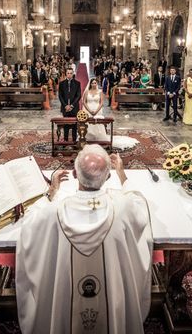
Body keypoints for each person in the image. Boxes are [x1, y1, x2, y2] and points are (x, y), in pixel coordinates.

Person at [16, 145, 152, 334]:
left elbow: (29, 224)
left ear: (73, 174)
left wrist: (51, 191)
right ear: (107, 177)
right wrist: (122, 174)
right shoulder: (123, 207)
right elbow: (140, 208)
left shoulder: (53, 212)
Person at [58, 67, 81, 142]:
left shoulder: (77, 83)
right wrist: (65, 106)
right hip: (65, 107)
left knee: (74, 125)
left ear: (73, 74)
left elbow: (78, 96)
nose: (69, 75)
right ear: (66, 74)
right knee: (66, 125)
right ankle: (65, 140)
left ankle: (74, 141)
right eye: (68, 73)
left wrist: (71, 106)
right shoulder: (61, 84)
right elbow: (60, 96)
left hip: (74, 107)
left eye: (71, 73)